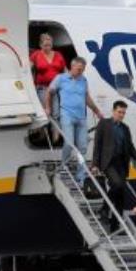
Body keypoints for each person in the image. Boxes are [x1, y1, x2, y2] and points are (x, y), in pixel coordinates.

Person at [45, 57, 102, 187]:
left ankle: (80, 175)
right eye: (79, 69)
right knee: (69, 143)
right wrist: (48, 107)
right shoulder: (61, 78)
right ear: (72, 66)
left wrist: (97, 111)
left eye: (83, 69)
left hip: (81, 117)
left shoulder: (83, 80)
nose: (81, 71)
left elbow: (87, 98)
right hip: (67, 115)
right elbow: (49, 91)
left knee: (82, 147)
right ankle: (64, 167)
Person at [90, 100, 136, 215]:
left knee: (121, 195)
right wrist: (94, 164)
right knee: (117, 184)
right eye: (119, 112)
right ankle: (105, 207)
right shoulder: (104, 124)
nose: (121, 115)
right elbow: (97, 145)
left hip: (122, 164)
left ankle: (116, 223)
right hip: (108, 162)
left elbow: (130, 147)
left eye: (124, 113)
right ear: (113, 111)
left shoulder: (125, 128)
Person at [30, 33, 67, 105]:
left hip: (56, 88)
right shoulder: (36, 54)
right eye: (45, 45)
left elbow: (65, 70)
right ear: (40, 45)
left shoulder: (58, 54)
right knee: (46, 110)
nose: (48, 47)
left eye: (50, 45)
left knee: (56, 113)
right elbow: (28, 69)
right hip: (42, 88)